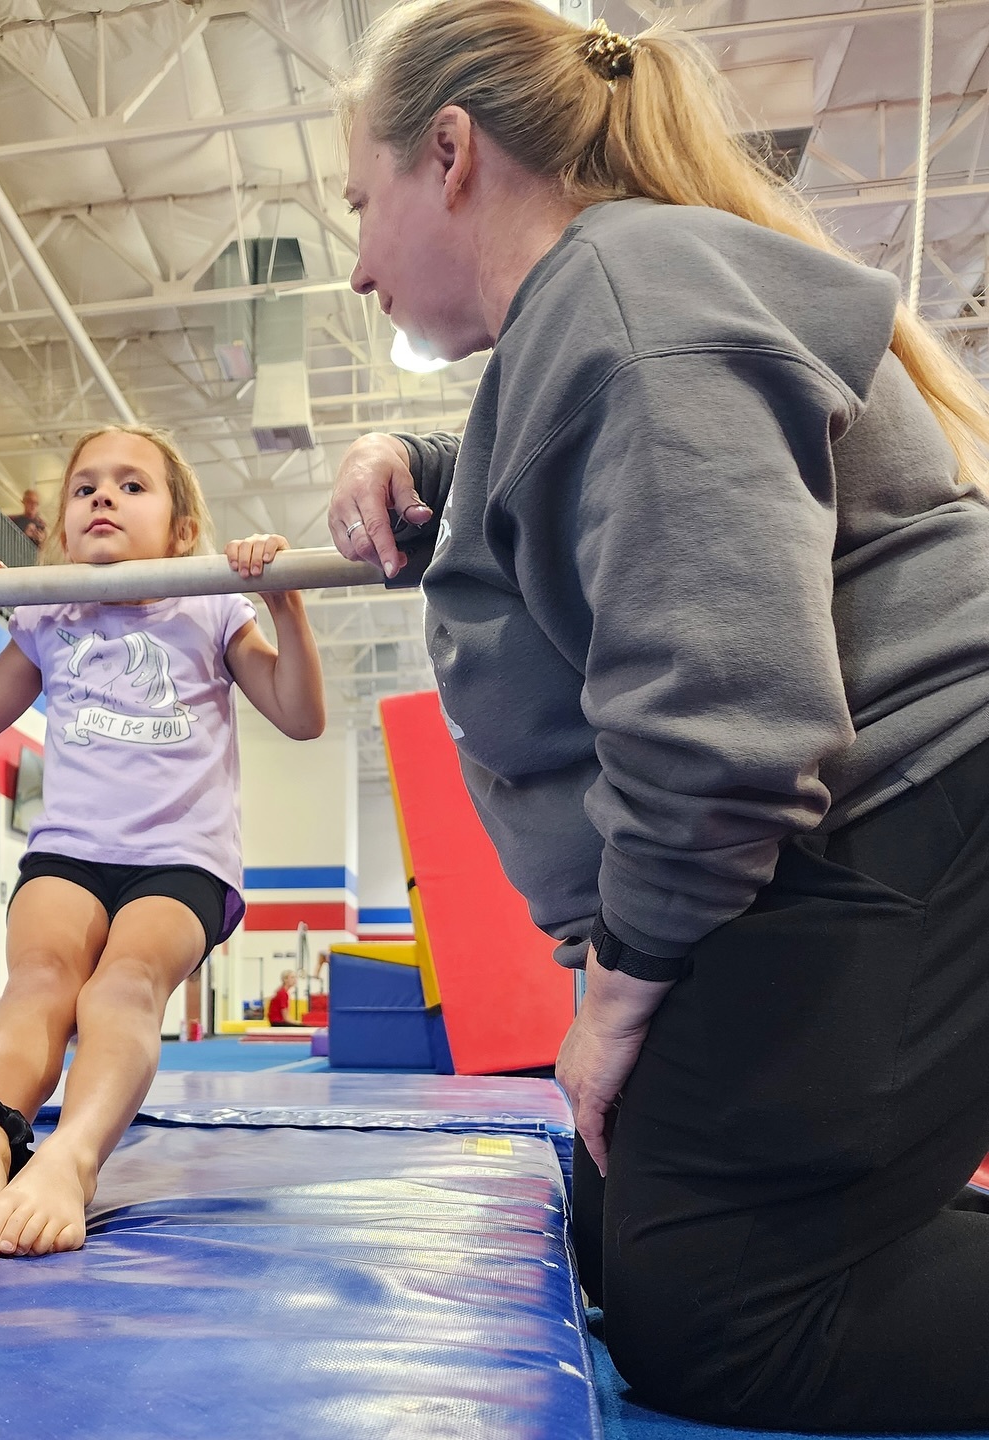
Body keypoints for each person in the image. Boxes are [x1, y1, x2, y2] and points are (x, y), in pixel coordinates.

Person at [328, 0, 989, 1431]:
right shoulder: (601, 314)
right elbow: (600, 462)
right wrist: (422, 453)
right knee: (622, 1241)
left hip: (917, 810)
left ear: (449, 153)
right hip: (868, 830)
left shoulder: (625, 305)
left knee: (718, 1316)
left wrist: (613, 1004)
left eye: (358, 206)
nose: (361, 266)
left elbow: (728, 713)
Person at [0, 424, 326, 1263]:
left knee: (124, 985)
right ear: (62, 525)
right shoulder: (48, 612)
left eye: (133, 485)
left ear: (180, 530)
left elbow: (300, 715)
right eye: (86, 486)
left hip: (182, 859)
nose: (104, 495)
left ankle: (70, 1159)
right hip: (70, 848)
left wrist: (285, 597)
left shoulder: (209, 604)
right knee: (37, 981)